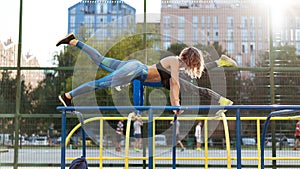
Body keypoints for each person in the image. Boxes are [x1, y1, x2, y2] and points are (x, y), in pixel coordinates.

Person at [56, 33, 236, 114]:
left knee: (101, 60)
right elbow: (175, 85)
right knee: (100, 83)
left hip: (134, 68)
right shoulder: (174, 62)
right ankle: (69, 96)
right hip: (135, 70)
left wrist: (218, 63)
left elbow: (190, 76)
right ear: (190, 60)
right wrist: (176, 106)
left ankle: (74, 41)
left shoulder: (177, 65)